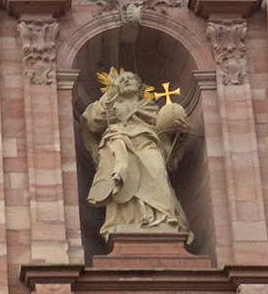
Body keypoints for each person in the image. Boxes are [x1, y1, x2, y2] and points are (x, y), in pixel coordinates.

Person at [81, 68, 191, 238]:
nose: (125, 81)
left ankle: (162, 220)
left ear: (141, 87)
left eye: (130, 79)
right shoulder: (110, 105)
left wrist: (181, 134)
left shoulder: (152, 110)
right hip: (119, 143)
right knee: (123, 179)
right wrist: (110, 93)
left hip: (148, 143)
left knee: (158, 176)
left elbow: (170, 155)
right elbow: (93, 122)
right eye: (122, 80)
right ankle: (127, 221)